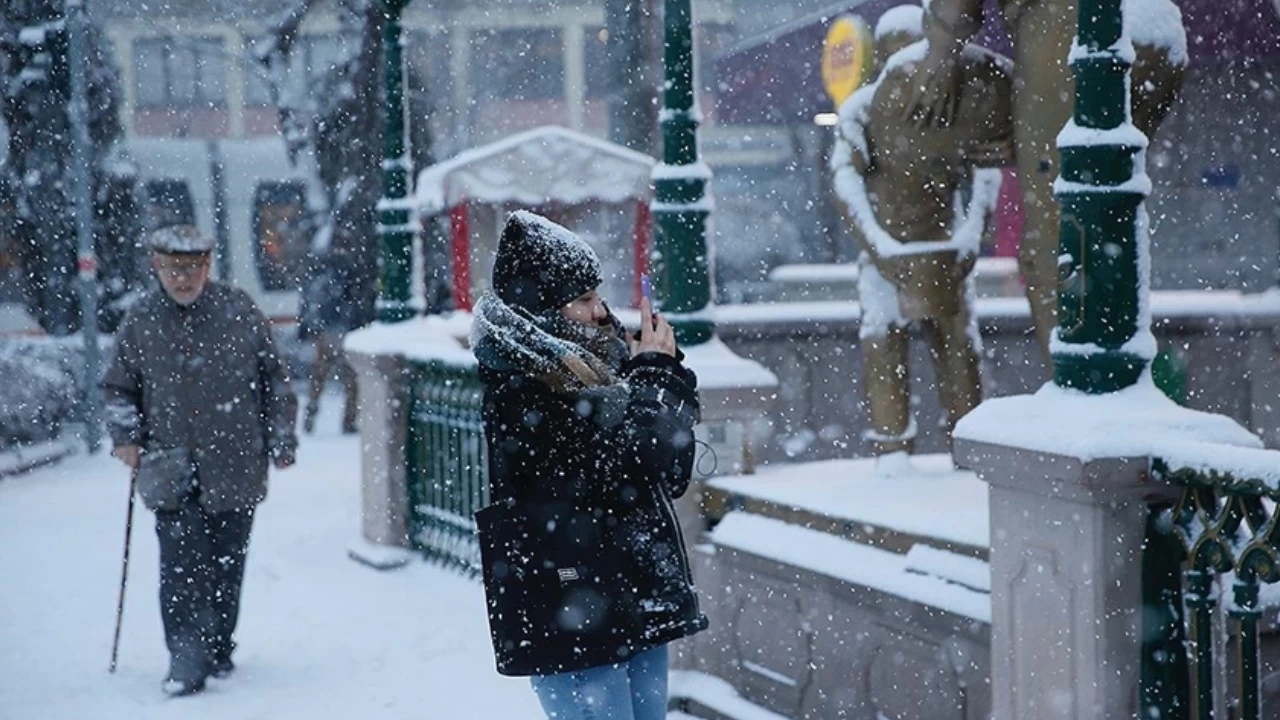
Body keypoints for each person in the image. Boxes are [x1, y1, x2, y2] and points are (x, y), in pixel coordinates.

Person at [471, 211, 706, 720]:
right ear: (541, 307)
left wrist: (661, 376)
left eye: (598, 295)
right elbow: (617, 470)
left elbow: (669, 472)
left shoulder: (605, 368)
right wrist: (652, 377)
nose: (601, 311)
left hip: (632, 597)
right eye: (583, 299)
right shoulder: (521, 388)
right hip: (574, 611)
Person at [101, 225, 298, 697]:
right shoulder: (141, 320)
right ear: (156, 266)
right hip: (169, 466)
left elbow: (274, 379)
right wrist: (126, 437)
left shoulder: (239, 311)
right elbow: (118, 388)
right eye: (172, 269)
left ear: (207, 266)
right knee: (181, 566)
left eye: (192, 268)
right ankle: (187, 658)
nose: (182, 278)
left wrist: (282, 438)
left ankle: (219, 645)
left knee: (227, 564)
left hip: (236, 462)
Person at [832, 8, 1012, 466]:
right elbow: (844, 181)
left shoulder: (955, 106)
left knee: (959, 356)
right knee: (884, 352)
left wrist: (971, 236)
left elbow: (987, 172)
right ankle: (892, 451)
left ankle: (968, 447)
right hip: (886, 260)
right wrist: (879, 247)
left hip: (944, 251)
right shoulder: (862, 110)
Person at [299, 247, 360, 434]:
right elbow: (352, 301)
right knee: (351, 379)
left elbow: (309, 300)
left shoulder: (319, 272)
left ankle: (311, 413)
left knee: (319, 376)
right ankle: (348, 420)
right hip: (343, 330)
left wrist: (309, 327)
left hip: (324, 332)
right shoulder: (348, 271)